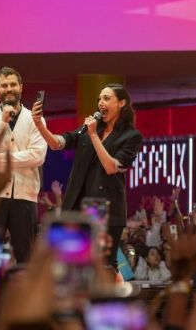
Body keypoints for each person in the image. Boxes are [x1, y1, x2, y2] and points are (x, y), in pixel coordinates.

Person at [32, 83, 144, 265]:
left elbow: (111, 167)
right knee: (71, 264)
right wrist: (39, 124)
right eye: (99, 98)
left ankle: (112, 292)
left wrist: (93, 136)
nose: (100, 102)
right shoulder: (90, 129)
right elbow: (57, 143)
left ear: (122, 103)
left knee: (103, 266)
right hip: (76, 208)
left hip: (104, 210)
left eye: (107, 98)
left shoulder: (131, 136)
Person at [0, 67, 47, 263]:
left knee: (26, 255)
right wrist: (2, 122)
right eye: (4, 85)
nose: (9, 89)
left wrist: (0, 158)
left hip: (25, 195)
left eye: (13, 84)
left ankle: (27, 294)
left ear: (21, 87)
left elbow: (38, 156)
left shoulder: (36, 120)